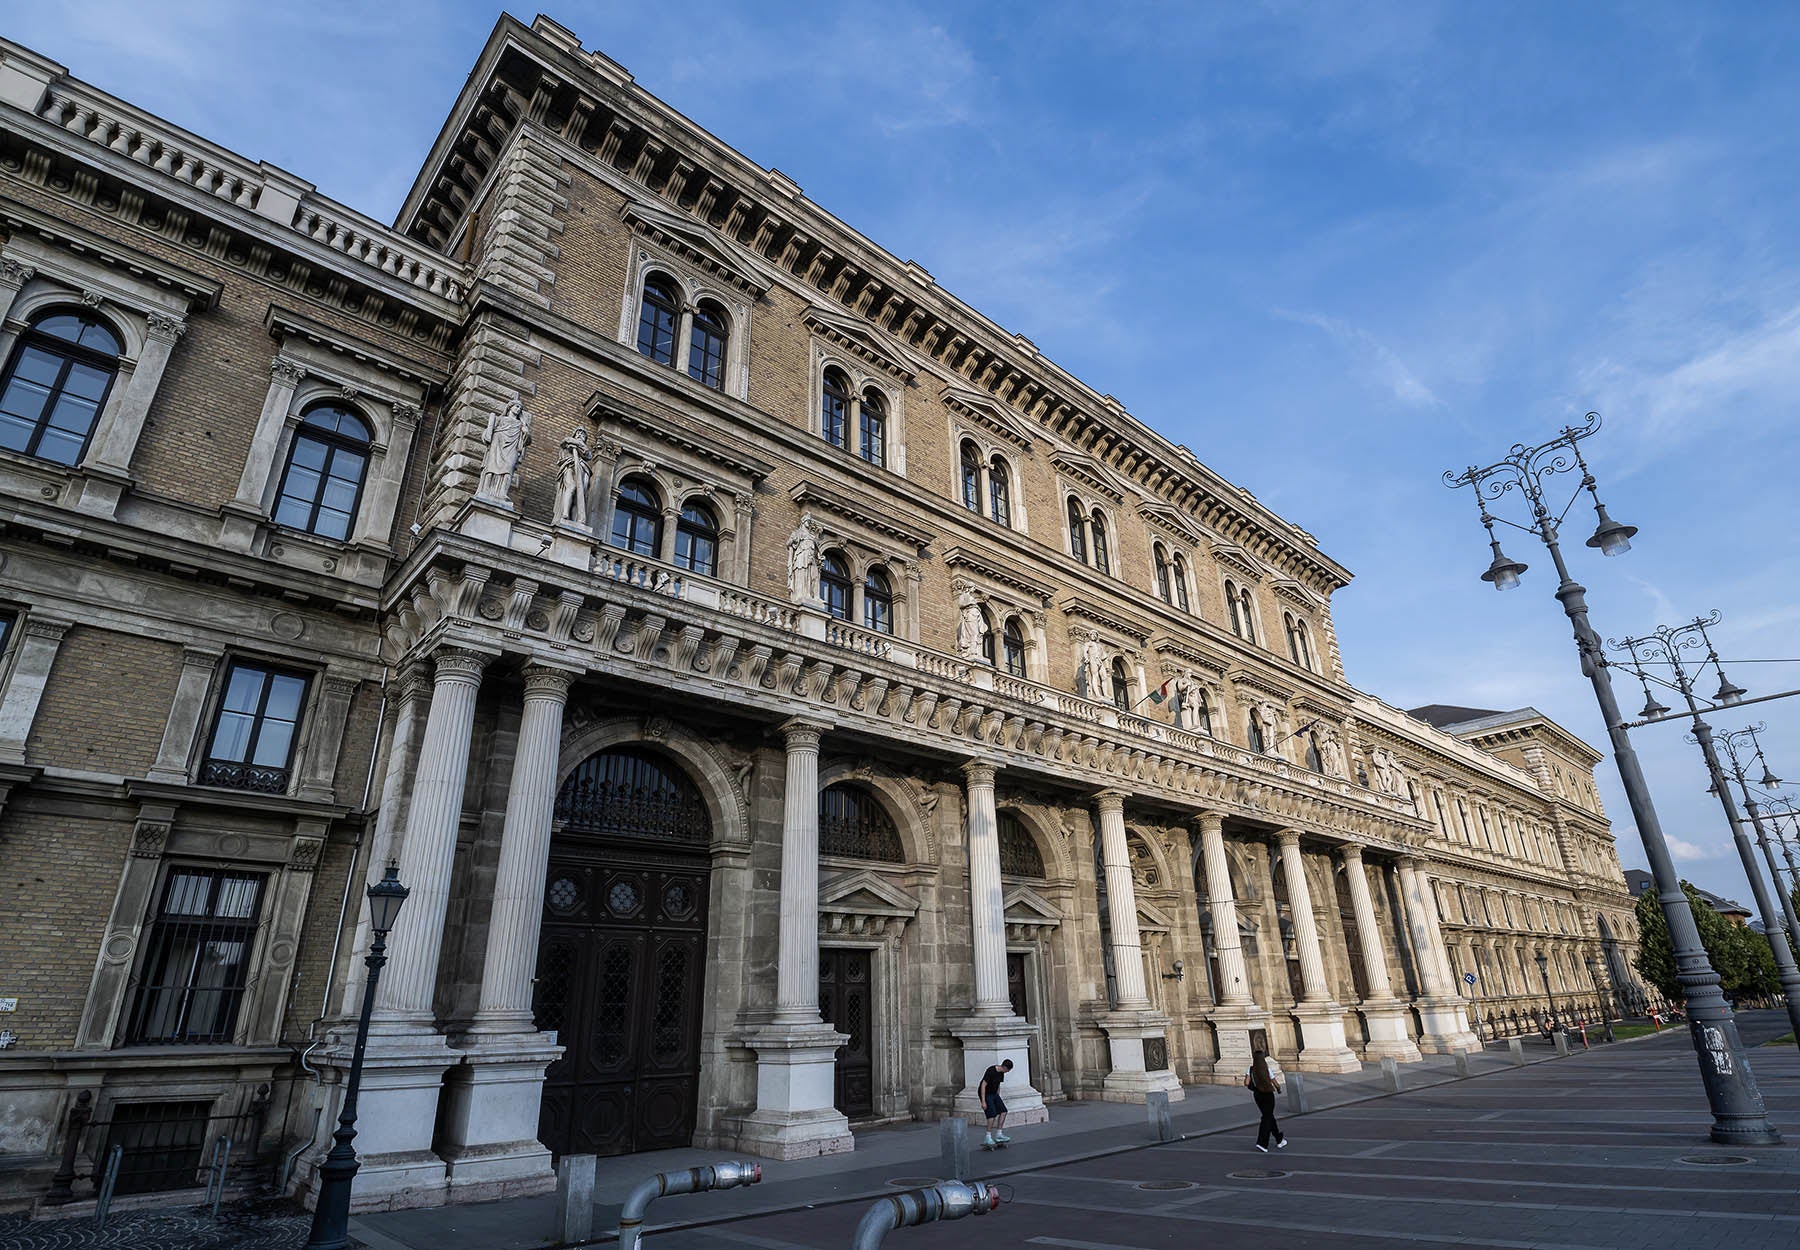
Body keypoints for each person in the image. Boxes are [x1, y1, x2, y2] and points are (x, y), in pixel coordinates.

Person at [1245, 1049, 1286, 1152]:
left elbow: (1246, 1083)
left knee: (1268, 1116)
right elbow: (1275, 1082)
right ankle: (1262, 1143)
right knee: (1267, 1117)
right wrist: (1279, 1089)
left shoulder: (1250, 1069)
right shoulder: (1266, 1069)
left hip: (1258, 1095)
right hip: (1268, 1095)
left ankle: (1279, 1139)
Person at [979, 1058, 1013, 1148]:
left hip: (994, 1093)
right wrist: (983, 1101)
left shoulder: (1001, 1073)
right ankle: (988, 1136)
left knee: (1003, 1111)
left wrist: (998, 1097)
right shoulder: (991, 1071)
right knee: (992, 1114)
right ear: (1005, 1067)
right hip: (986, 1093)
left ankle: (999, 1134)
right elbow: (983, 1085)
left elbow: (998, 1085)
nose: (1007, 1072)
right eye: (1008, 1070)